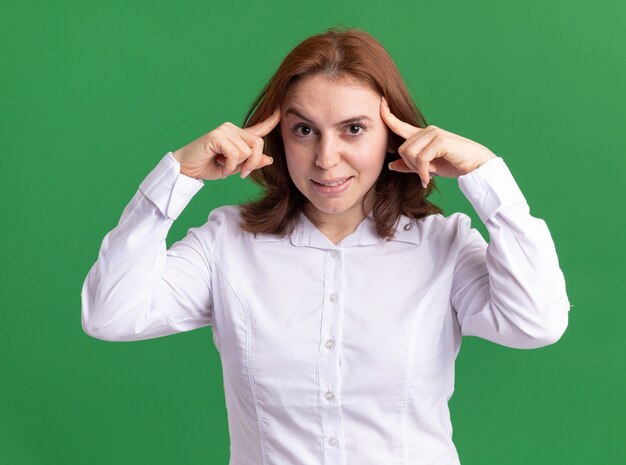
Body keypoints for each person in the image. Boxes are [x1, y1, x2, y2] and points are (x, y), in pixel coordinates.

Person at [81, 26, 570, 465]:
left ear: (393, 135)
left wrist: (486, 174)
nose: (326, 159)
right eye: (304, 130)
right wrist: (177, 177)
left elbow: (537, 322)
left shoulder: (443, 245)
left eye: (354, 129)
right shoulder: (225, 244)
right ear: (278, 138)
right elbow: (110, 314)